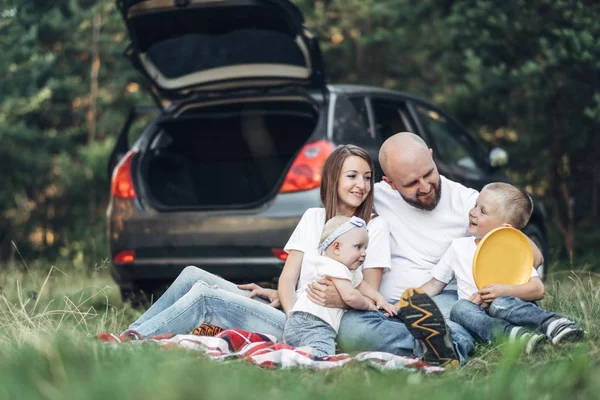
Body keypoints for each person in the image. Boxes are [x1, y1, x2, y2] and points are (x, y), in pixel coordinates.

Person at [104, 145, 391, 344]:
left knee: (206, 298)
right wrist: (288, 306)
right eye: (352, 176)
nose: (362, 185)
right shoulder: (314, 217)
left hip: (316, 325)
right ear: (333, 179)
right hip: (292, 314)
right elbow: (289, 277)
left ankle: (132, 342)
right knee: (192, 274)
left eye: (367, 178)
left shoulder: (373, 226)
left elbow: (367, 292)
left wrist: (298, 318)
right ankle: (130, 334)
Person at [307, 132, 544, 367]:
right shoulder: (372, 197)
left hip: (443, 299)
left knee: (449, 315)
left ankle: (446, 344)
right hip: (386, 306)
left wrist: (491, 288)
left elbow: (533, 255)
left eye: (429, 173)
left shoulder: (468, 203)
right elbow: (328, 230)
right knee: (351, 330)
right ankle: (432, 343)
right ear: (390, 182)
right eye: (411, 183)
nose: (425, 186)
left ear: (431, 157)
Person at [413, 182, 584, 353]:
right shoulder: (458, 248)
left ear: (504, 228)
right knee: (459, 308)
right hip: (479, 316)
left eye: (483, 211)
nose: (472, 212)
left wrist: (502, 291)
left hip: (512, 308)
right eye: (475, 206)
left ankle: (554, 324)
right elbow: (435, 284)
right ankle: (515, 336)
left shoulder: (512, 251)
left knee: (499, 303)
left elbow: (538, 289)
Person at [283, 216, 396, 356]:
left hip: (304, 321)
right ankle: (287, 355)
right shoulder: (333, 266)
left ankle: (291, 351)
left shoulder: (349, 271)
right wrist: (368, 305)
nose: (364, 253)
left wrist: (380, 299)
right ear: (336, 247)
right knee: (323, 352)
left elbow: (363, 286)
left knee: (315, 348)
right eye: (358, 247)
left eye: (365, 248)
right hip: (313, 322)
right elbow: (351, 296)